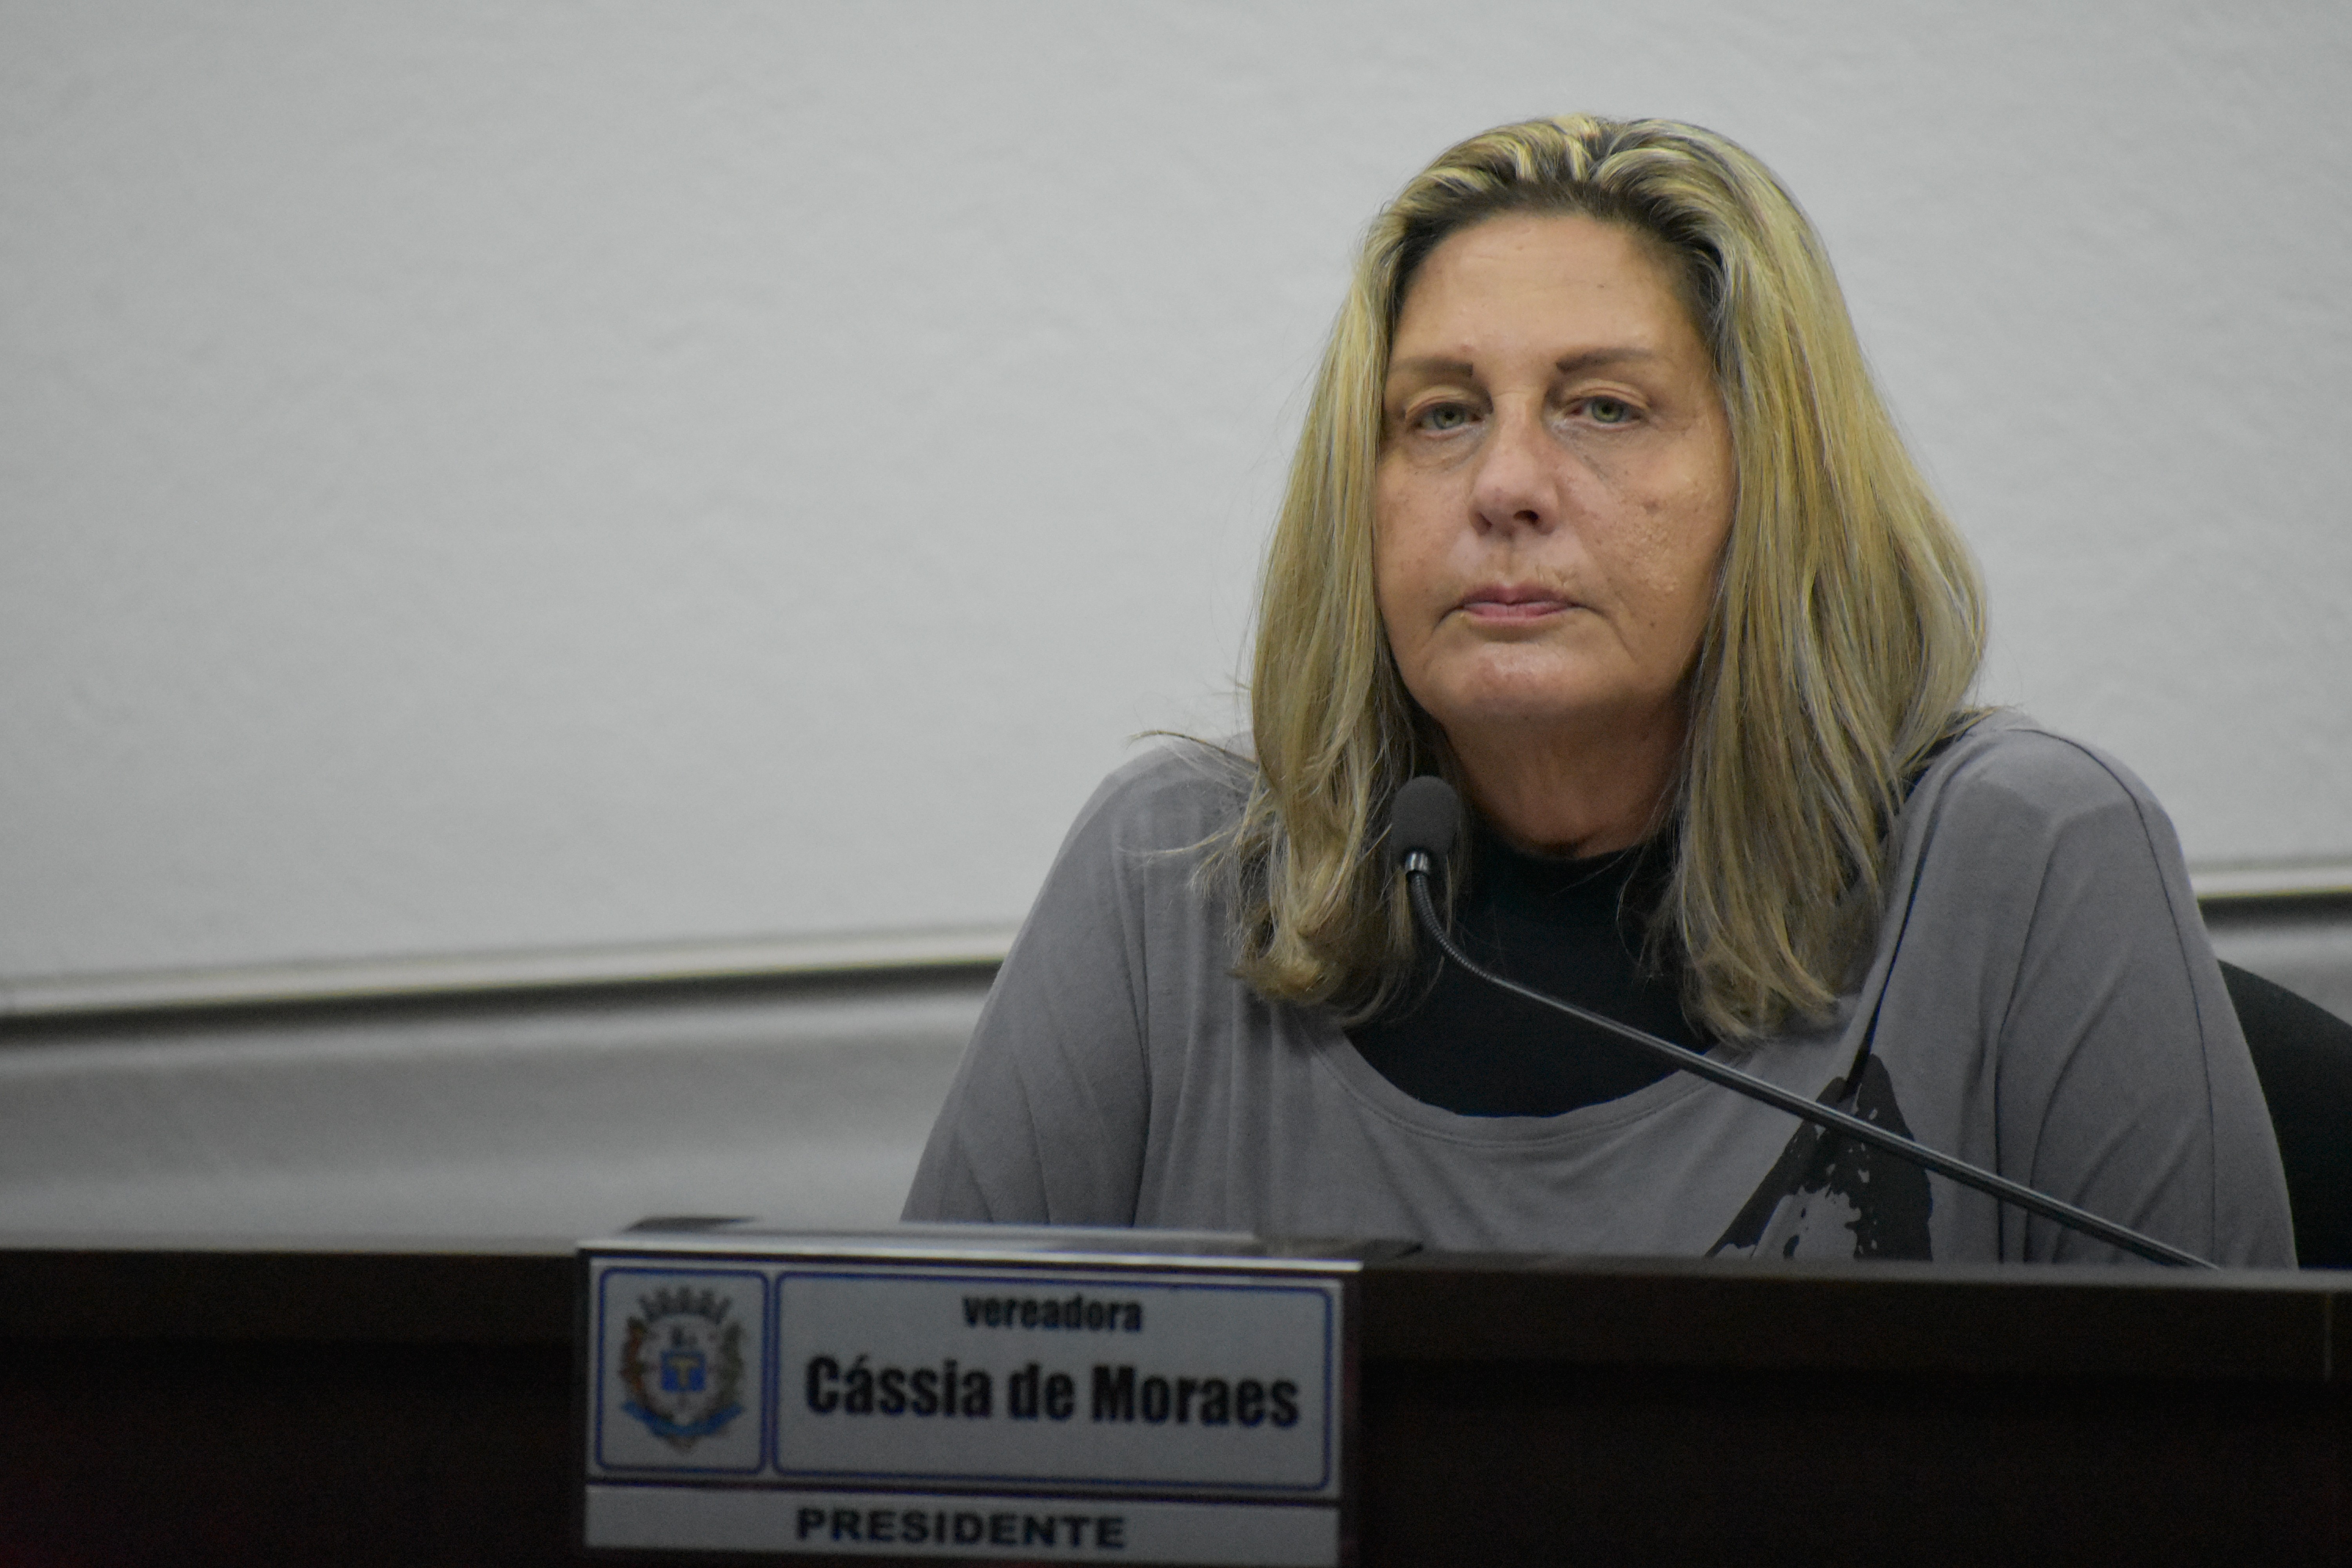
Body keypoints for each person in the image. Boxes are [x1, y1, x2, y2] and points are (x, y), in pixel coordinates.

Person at [902, 115, 2294, 1265]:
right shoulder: (1171, 878)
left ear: (1774, 485)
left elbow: (2219, 1470)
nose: (1505, 485)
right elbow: (902, 1442)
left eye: (1604, 408)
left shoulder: (2028, 859)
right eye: (1441, 415)